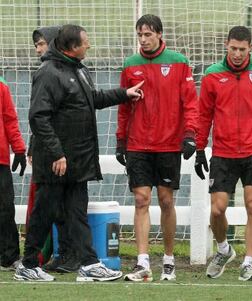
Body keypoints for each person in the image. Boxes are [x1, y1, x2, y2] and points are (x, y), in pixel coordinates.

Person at [14, 24, 144, 282]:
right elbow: (39, 118)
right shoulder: (48, 73)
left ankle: (89, 263)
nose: (89, 45)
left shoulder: (79, 69)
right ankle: (28, 264)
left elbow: (92, 99)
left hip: (77, 160)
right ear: (72, 47)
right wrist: (56, 154)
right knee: (44, 211)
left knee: (77, 211)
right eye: (86, 42)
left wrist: (124, 94)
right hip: (56, 161)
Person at [195, 26, 252, 281]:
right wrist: (200, 149)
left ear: (250, 48)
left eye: (242, 49)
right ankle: (224, 250)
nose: (236, 53)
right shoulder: (212, 75)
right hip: (223, 152)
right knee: (217, 209)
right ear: (226, 45)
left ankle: (248, 263)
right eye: (233, 48)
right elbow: (204, 116)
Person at [117, 14, 198, 282]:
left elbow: (190, 102)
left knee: (166, 201)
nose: (143, 40)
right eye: (140, 35)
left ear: (160, 34)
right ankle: (142, 262)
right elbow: (123, 106)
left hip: (168, 144)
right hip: (138, 144)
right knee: (141, 199)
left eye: (148, 34)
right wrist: (121, 140)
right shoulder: (130, 65)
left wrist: (189, 134)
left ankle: (169, 259)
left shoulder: (178, 62)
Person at [30, 25, 81, 273]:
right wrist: (34, 147)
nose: (38, 49)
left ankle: (68, 255)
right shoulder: (47, 71)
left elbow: (46, 116)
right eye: (36, 45)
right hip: (53, 153)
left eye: (41, 44)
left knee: (62, 208)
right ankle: (35, 259)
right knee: (51, 208)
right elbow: (40, 117)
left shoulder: (64, 71)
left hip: (61, 153)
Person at [0, 77, 26, 271]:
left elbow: (9, 118)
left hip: (0, 160)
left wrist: (18, 148)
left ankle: (9, 256)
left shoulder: (2, 85)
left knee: (5, 208)